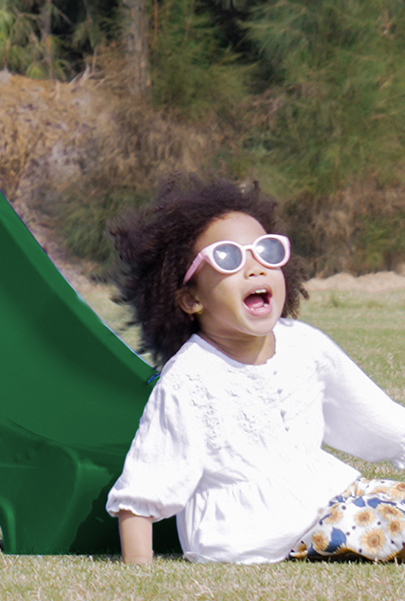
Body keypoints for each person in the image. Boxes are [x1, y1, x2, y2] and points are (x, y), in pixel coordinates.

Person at [104, 177, 405, 562]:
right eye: (228, 258)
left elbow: (378, 421)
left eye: (267, 251)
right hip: (260, 531)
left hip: (332, 497)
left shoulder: (304, 344)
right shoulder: (189, 378)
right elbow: (145, 487)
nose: (255, 268)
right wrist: (139, 575)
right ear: (191, 298)